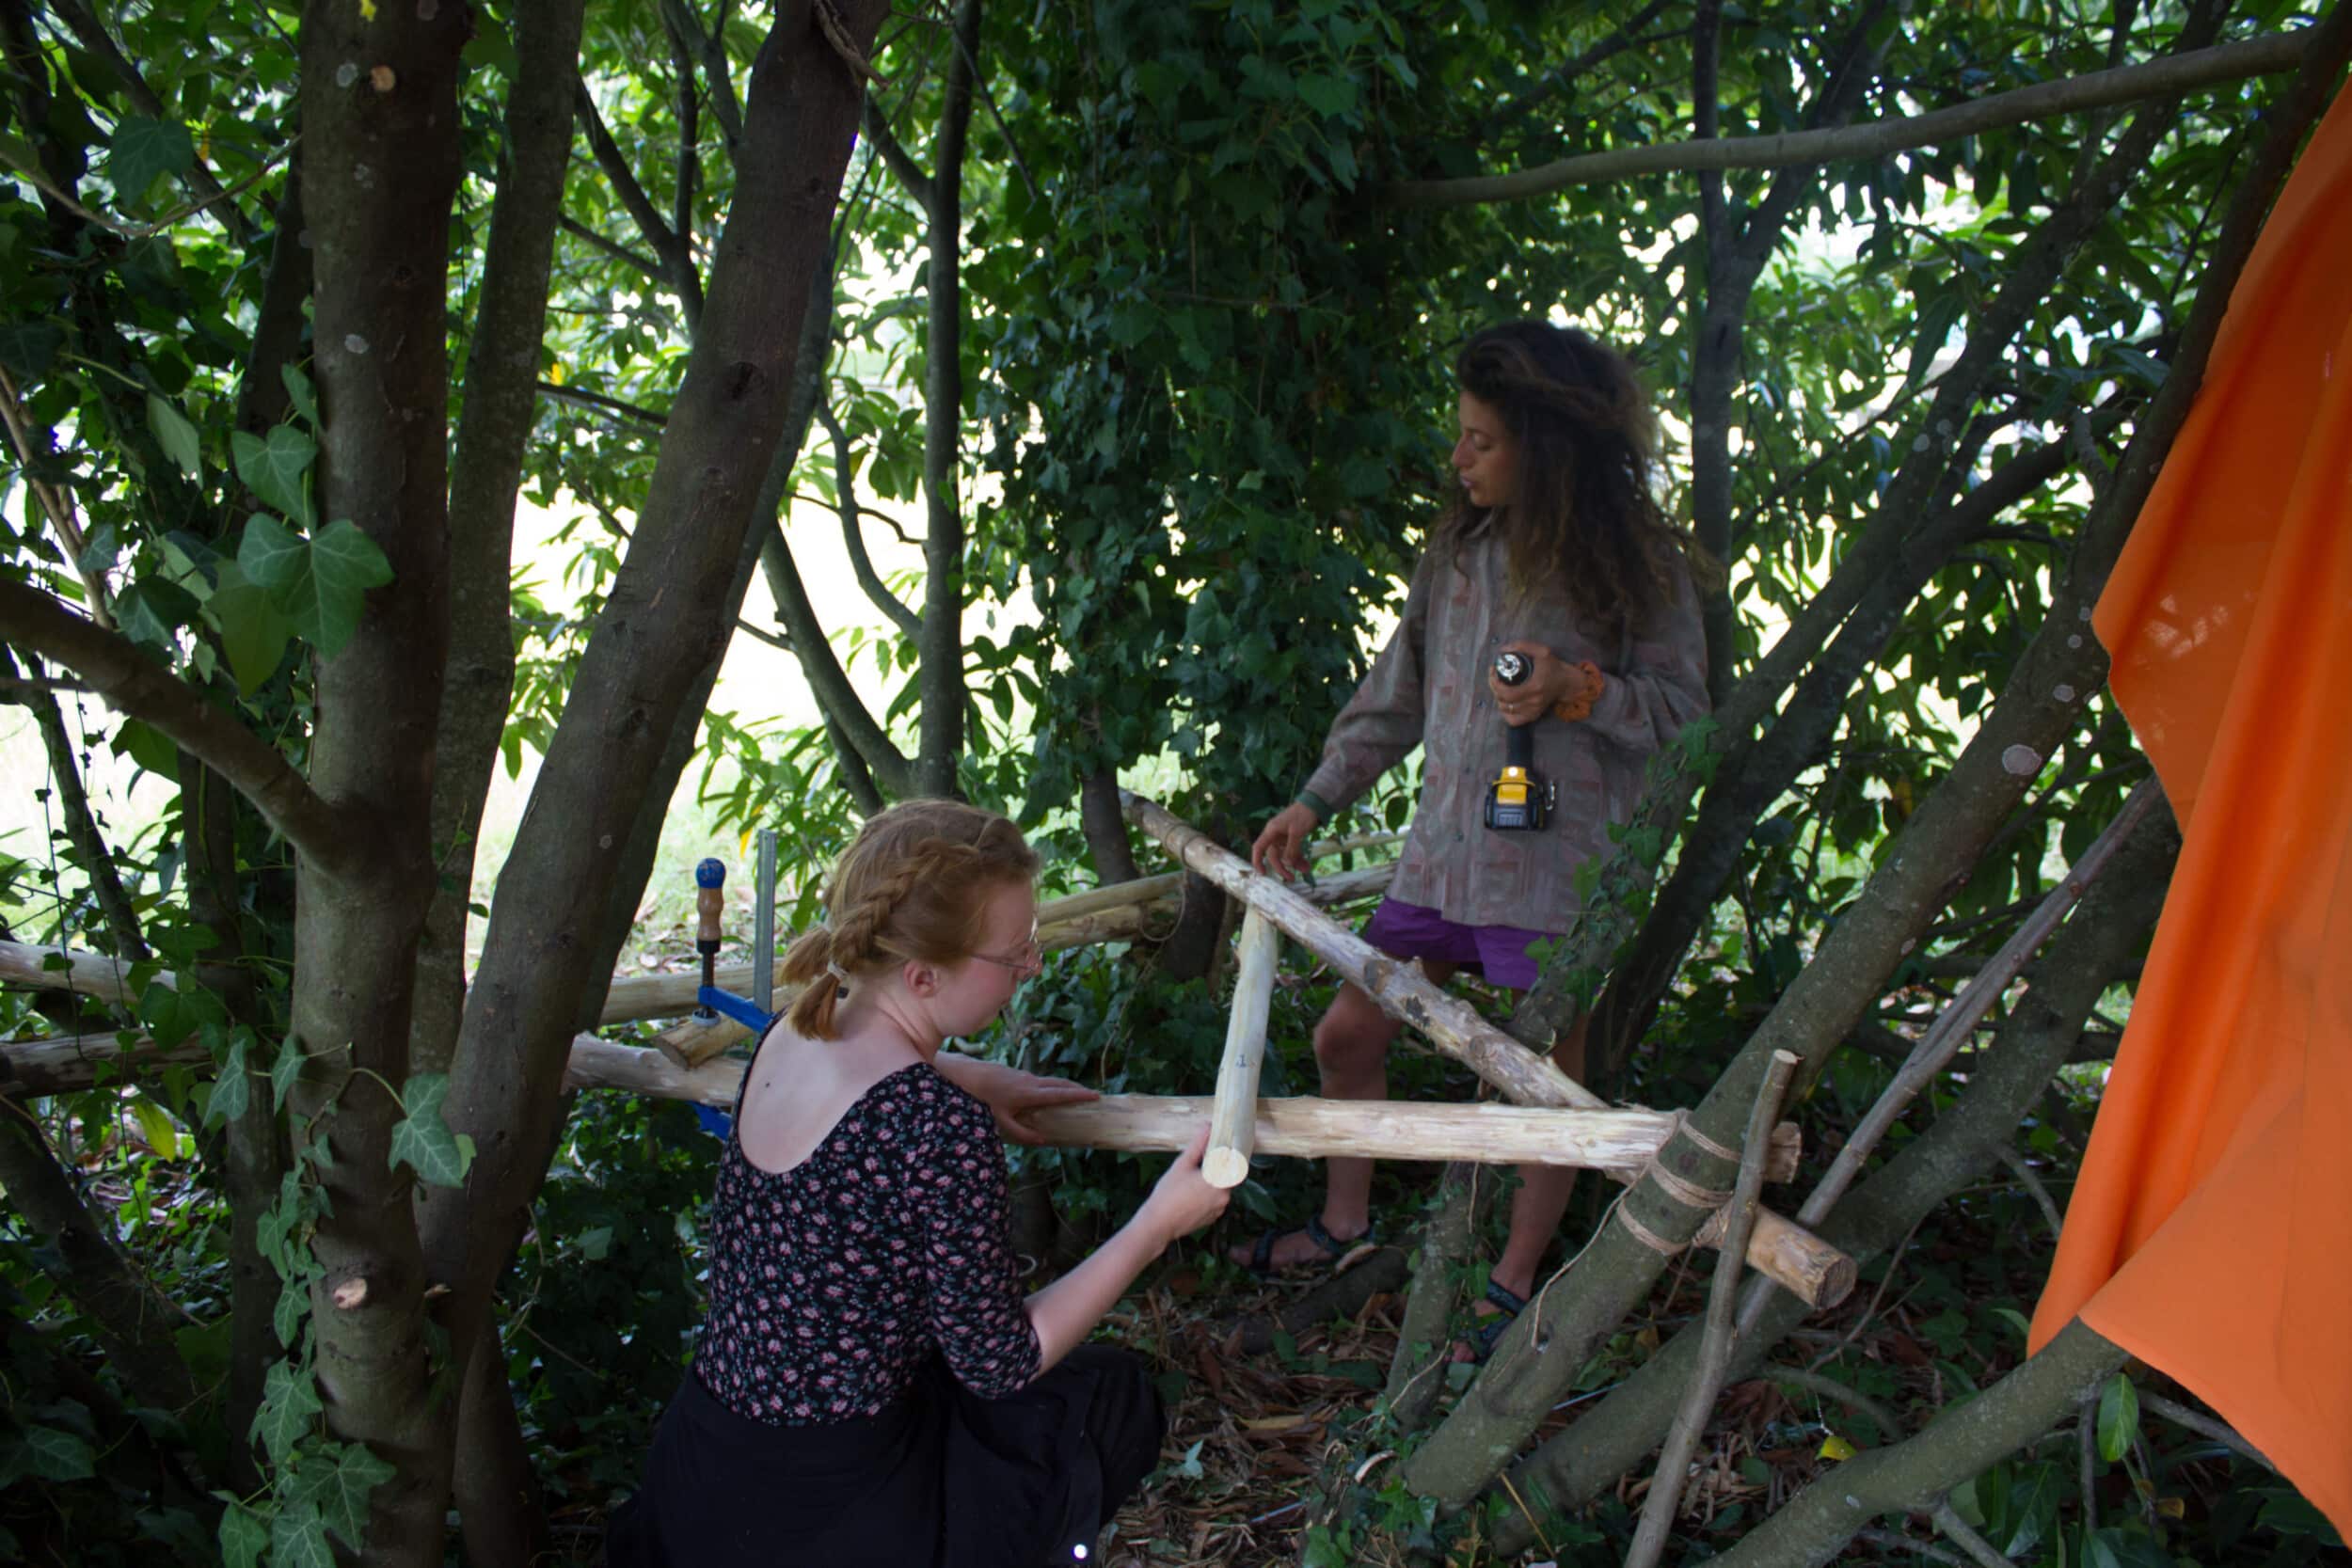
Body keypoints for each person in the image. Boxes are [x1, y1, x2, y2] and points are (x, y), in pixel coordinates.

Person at [1230, 320, 1711, 1357]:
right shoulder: (1457, 551)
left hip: (1555, 875)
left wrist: (1580, 689)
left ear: (1547, 445)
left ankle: (1511, 1282)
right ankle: (1346, 1226)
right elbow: (1394, 694)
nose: (1458, 457)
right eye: (1461, 434)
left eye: (1481, 440)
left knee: (1540, 1082)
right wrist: (1314, 798)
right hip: (1441, 861)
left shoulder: (1633, 563)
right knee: (1346, 1036)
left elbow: (1687, 721)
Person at [608, 800, 1230, 1568]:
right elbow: (1000, 1361)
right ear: (923, 974)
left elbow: (870, 1081)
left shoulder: (794, 1029)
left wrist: (965, 1074)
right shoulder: (936, 1127)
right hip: (830, 1509)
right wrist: (1155, 1225)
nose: (1033, 965)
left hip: (705, 1470)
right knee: (1112, 1399)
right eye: (1016, 953)